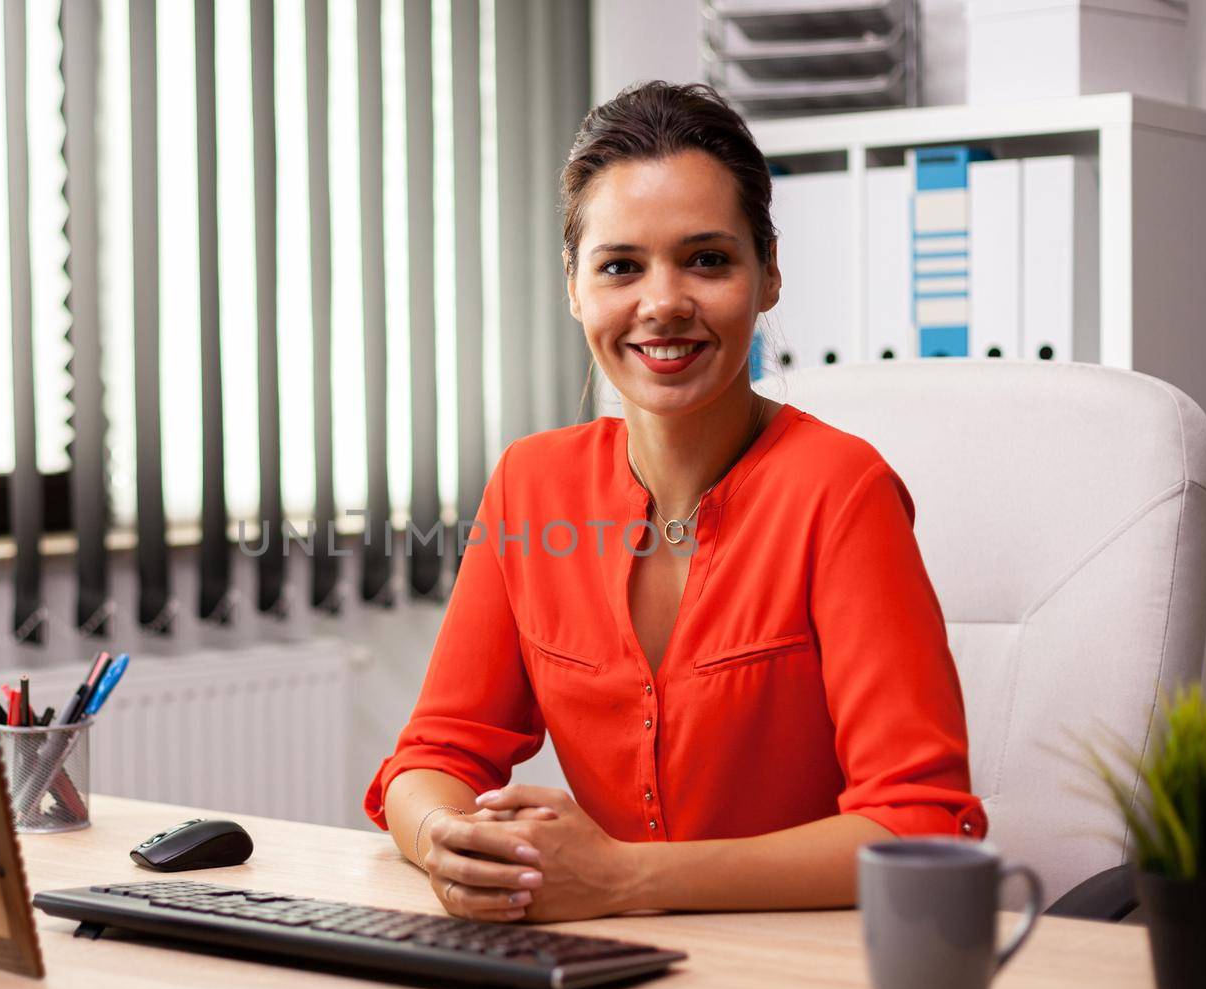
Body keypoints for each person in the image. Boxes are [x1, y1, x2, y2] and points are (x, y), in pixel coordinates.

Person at [364, 81, 986, 924]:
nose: (663, 302)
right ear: (576, 288)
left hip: (806, 973)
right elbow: (431, 758)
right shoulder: (529, 485)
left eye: (707, 259)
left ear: (767, 274)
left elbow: (920, 824)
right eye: (621, 265)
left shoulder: (842, 493)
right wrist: (446, 836)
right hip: (598, 960)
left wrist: (623, 879)